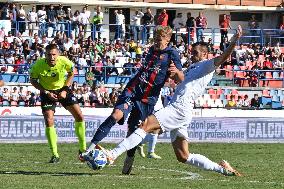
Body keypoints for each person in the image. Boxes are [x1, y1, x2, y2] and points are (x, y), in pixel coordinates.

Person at [87, 26, 243, 176]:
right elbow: (180, 81)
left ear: (204, 54)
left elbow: (223, 57)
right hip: (182, 111)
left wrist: (234, 41)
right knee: (183, 156)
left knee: (146, 125)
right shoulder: (193, 68)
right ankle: (223, 169)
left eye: (195, 53)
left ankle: (112, 155)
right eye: (191, 52)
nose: (192, 55)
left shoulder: (207, 65)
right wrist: (174, 75)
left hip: (179, 108)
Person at [82, 26, 184, 174]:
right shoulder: (151, 50)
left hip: (147, 100)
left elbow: (181, 78)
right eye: (155, 38)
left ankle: (129, 158)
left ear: (168, 39)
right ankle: (88, 150)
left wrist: (176, 73)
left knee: (132, 131)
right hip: (132, 89)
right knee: (115, 115)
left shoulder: (172, 53)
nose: (156, 41)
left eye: (159, 39)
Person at [29, 44, 86, 163]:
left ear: (58, 54)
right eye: (49, 55)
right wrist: (45, 91)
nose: (52, 57)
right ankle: (55, 154)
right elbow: (33, 80)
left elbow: (71, 73)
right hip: (46, 91)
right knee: (49, 120)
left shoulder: (64, 61)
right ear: (45, 55)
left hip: (63, 89)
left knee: (79, 116)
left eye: (54, 54)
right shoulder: (38, 66)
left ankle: (83, 149)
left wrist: (65, 89)